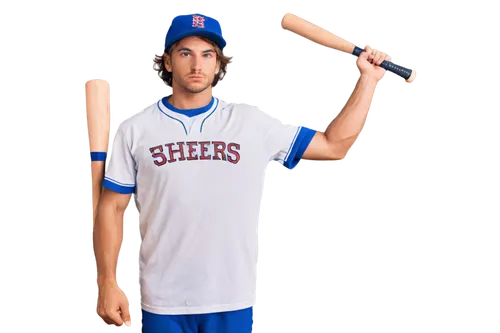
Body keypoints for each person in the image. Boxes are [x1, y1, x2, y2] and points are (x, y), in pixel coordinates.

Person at [92, 10, 390, 333]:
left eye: (207, 55)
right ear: (167, 62)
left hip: (232, 301)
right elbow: (112, 207)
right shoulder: (136, 130)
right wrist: (107, 282)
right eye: (185, 53)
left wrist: (368, 80)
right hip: (161, 303)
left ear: (218, 64)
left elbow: (334, 146)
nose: (196, 65)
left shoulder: (250, 123)